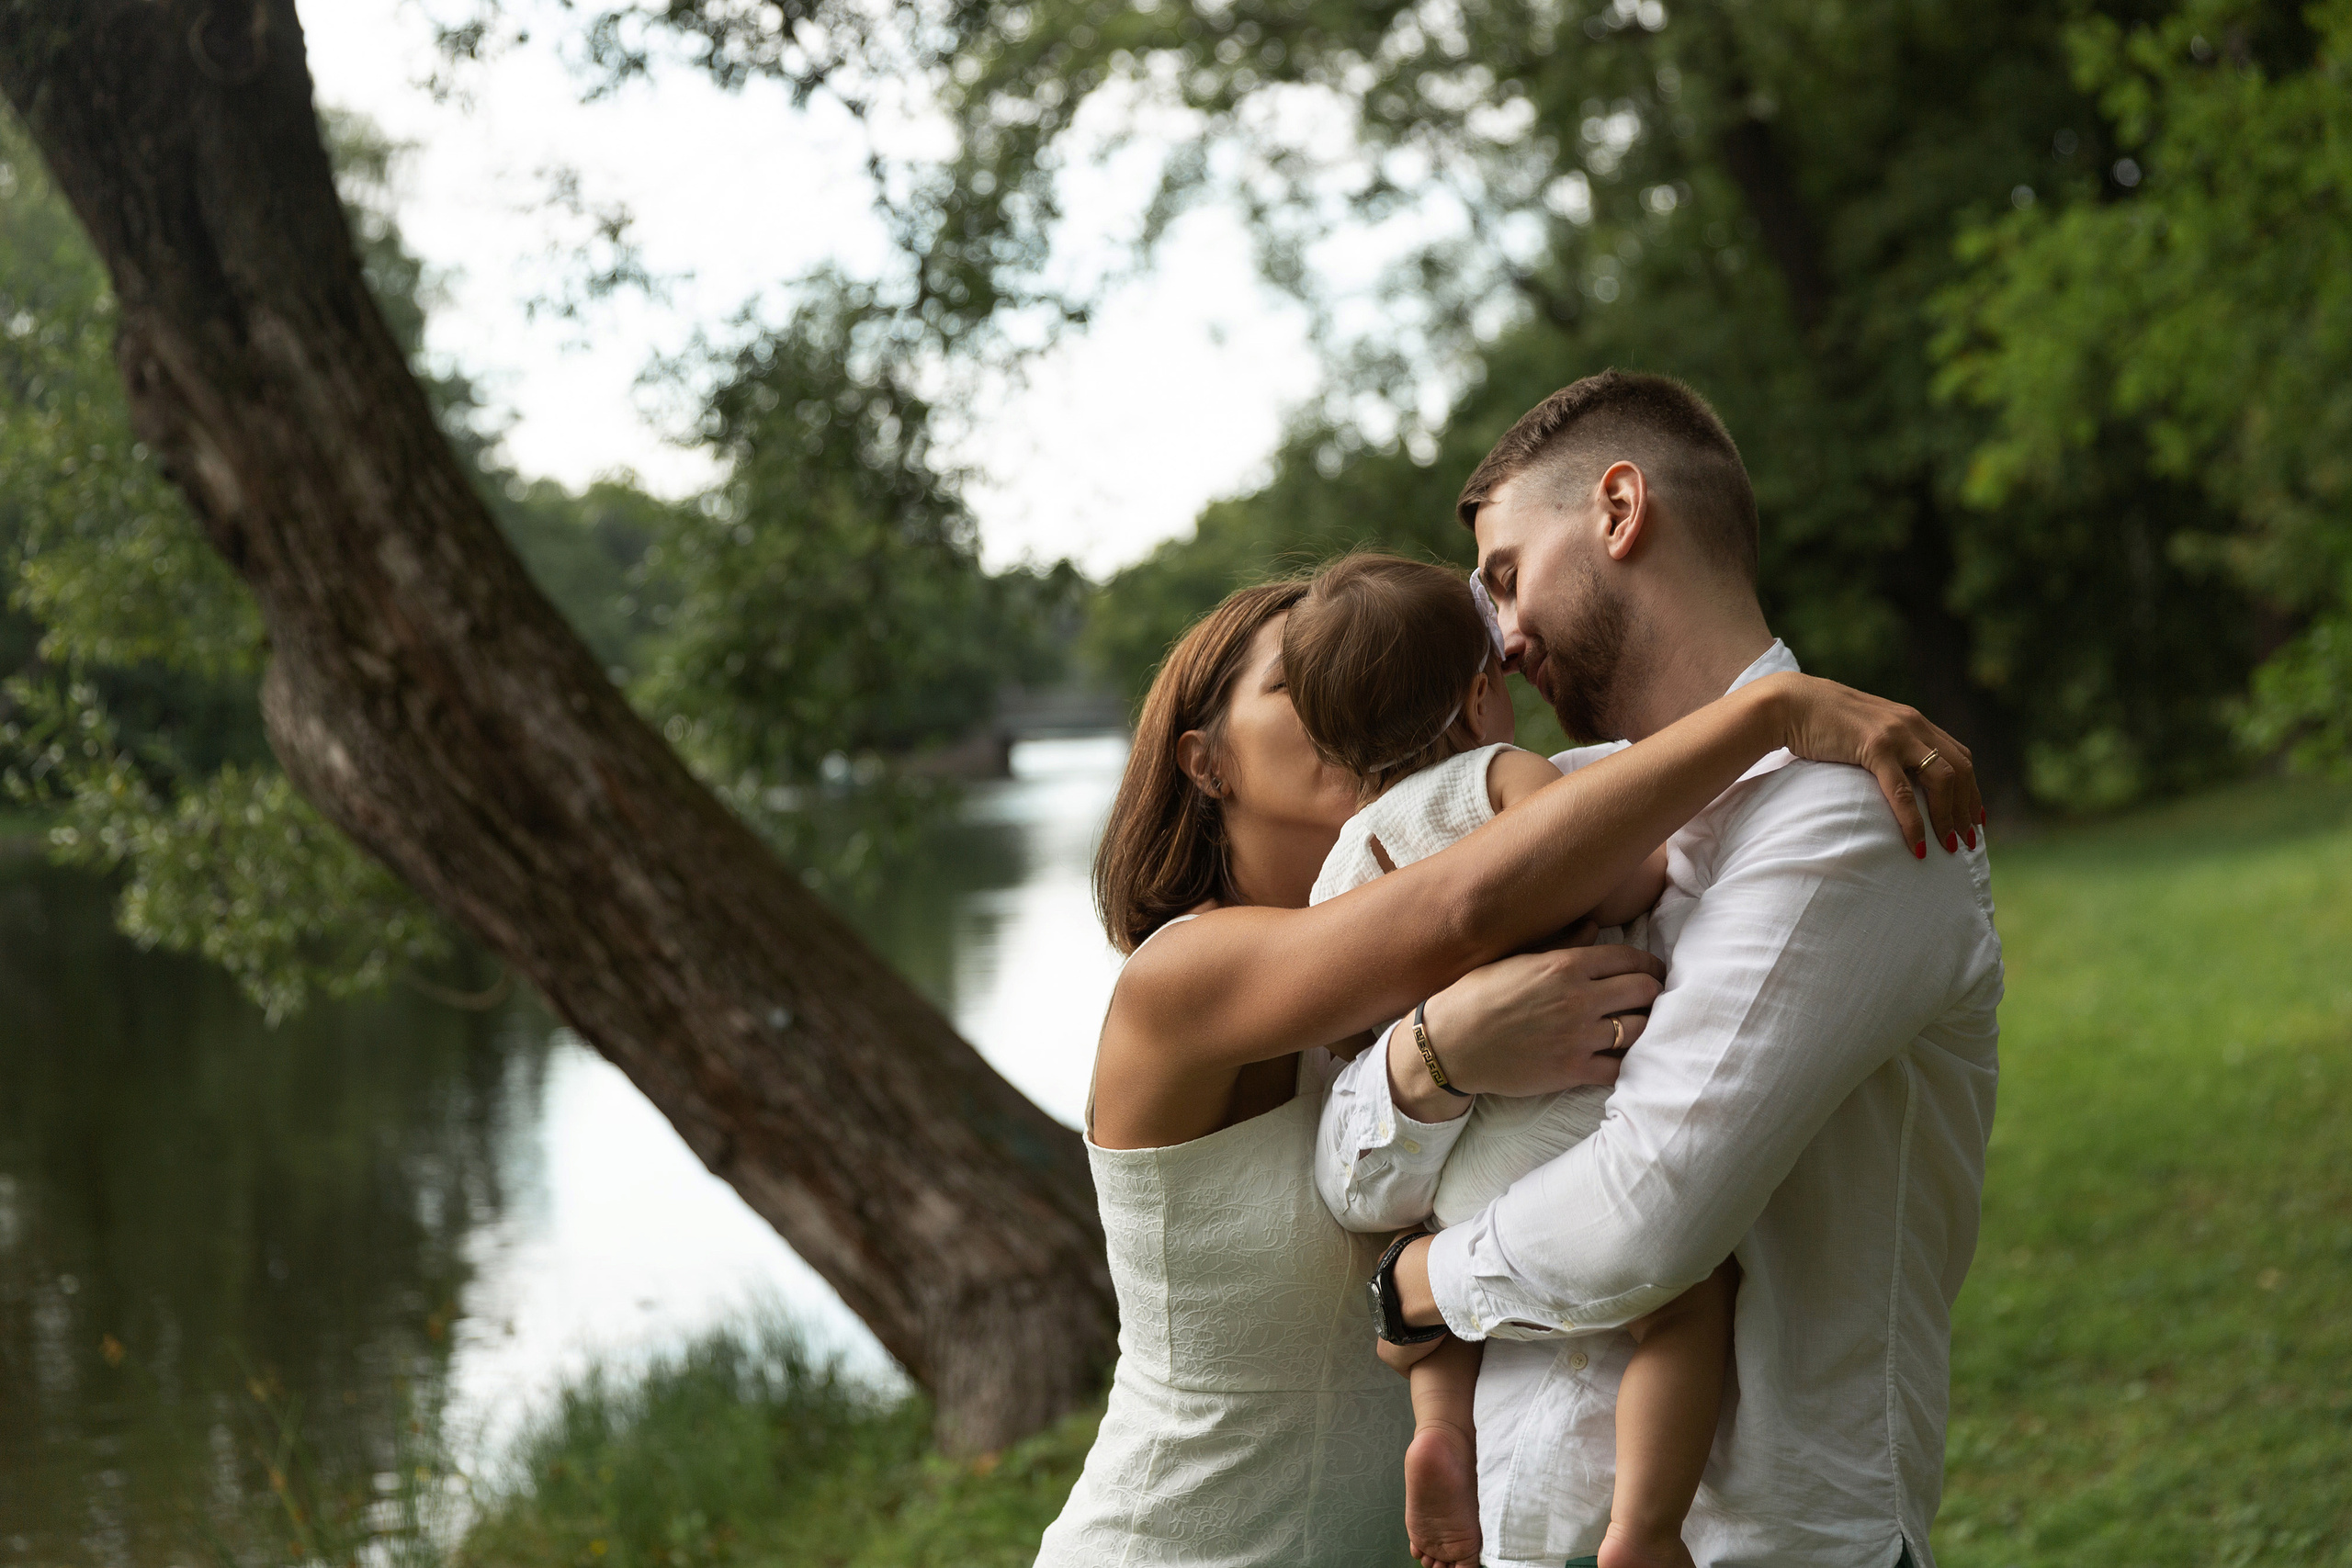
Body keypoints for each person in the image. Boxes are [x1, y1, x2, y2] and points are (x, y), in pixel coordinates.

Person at [1030, 553, 1980, 1563]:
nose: (1336, 695)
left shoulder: (1385, 931)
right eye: (1292, 683)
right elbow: (1464, 903)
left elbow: (1528, 879)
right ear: (1206, 763)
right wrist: (1766, 714)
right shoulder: (1180, 978)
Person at [1333, 369, 2004, 1568]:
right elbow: (1343, 1141)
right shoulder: (1565, 805)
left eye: (1505, 576)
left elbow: (1646, 1218)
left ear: (1620, 508)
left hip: (1772, 1540)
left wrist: (1410, 1282)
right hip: (1526, 1529)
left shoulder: (1848, 810)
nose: (1499, 637)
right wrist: (1431, 1052)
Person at [1281, 549, 1736, 1568]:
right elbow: (1615, 874)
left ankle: (1439, 1434)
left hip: (1449, 1165)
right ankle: (1645, 1530)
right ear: (1482, 690)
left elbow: (1348, 1038)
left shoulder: (1340, 867)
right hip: (1564, 1102)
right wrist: (1650, 844)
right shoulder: (1497, 778)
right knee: (1685, 1308)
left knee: (1436, 1303)